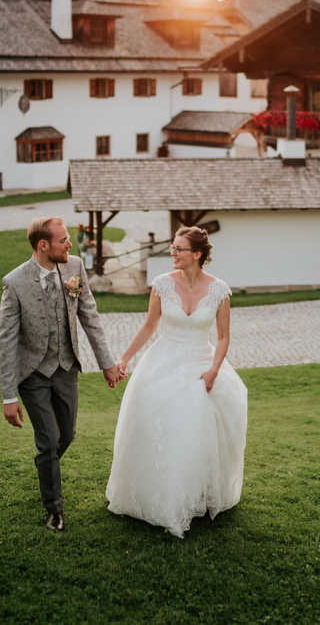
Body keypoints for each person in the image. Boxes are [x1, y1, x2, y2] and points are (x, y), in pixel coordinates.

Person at [106, 226, 247, 538]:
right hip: (163, 360)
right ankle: (152, 494)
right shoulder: (161, 285)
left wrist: (213, 370)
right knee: (153, 421)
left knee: (195, 419)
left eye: (179, 249)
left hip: (201, 361)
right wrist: (125, 358)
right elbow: (148, 326)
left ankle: (193, 494)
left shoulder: (219, 290)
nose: (172, 253)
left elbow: (223, 337)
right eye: (172, 247)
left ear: (196, 254)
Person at [0, 216, 121, 531]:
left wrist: (107, 362)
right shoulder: (14, 282)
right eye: (63, 240)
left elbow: (90, 316)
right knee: (49, 440)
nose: (70, 244)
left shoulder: (74, 268)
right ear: (43, 245)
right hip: (33, 374)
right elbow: (6, 341)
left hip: (66, 368)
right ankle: (55, 510)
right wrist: (9, 395)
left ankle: (45, 464)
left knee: (67, 435)